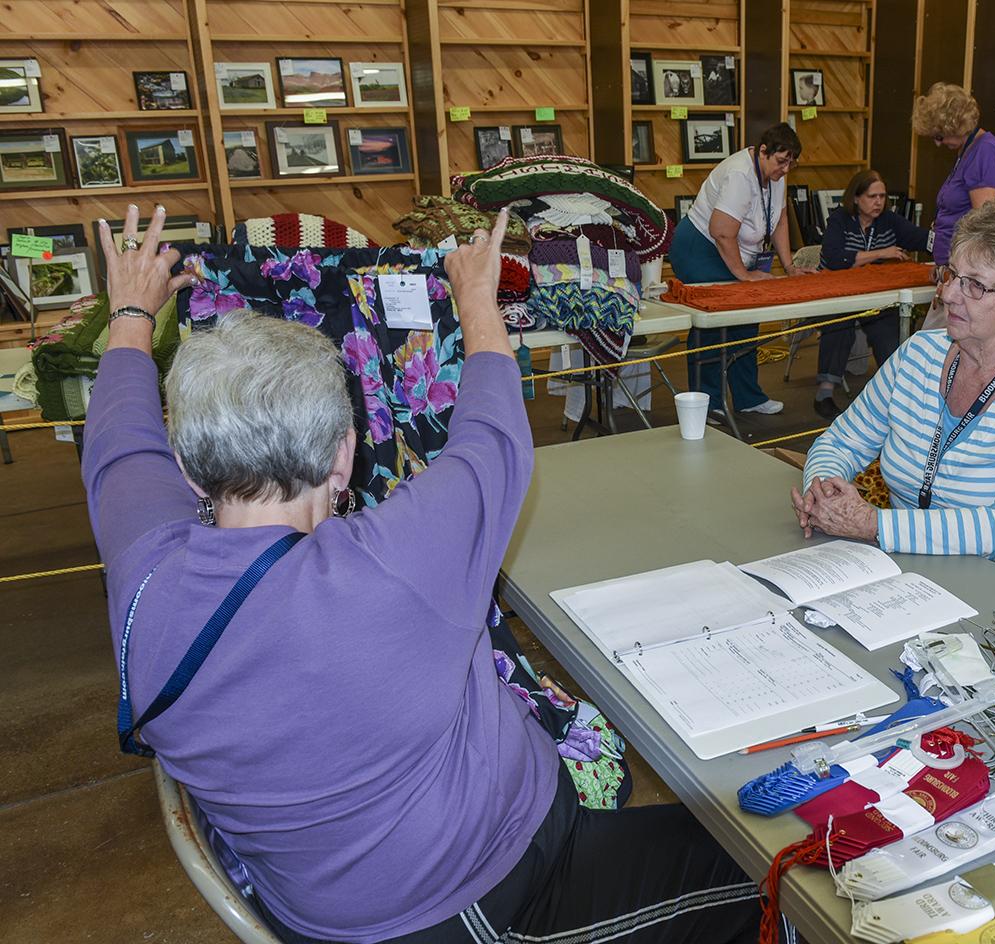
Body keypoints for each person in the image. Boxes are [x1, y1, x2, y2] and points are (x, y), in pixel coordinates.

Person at [83, 204, 766, 943]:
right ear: (344, 457)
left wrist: (130, 315)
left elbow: (119, 444)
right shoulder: (395, 565)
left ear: (185, 467)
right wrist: (475, 295)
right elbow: (497, 432)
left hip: (314, 898)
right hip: (484, 899)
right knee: (782, 879)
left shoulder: (142, 573)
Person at [793, 196, 995, 619]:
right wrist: (823, 489)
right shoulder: (919, 355)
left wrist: (873, 525)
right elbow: (841, 441)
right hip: (929, 570)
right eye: (951, 274)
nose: (949, 294)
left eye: (976, 285)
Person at [669, 122, 808, 418]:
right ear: (762, 152)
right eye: (781, 161)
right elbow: (720, 231)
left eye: (790, 163)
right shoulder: (739, 174)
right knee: (713, 319)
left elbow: (781, 219)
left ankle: (748, 397)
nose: (785, 169)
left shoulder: (777, 173)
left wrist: (790, 266)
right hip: (700, 246)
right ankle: (706, 402)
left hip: (732, 249)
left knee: (747, 315)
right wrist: (744, 276)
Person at [813, 169, 930, 420]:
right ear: (856, 198)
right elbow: (835, 258)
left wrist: (947, 237)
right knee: (839, 324)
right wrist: (881, 253)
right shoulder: (839, 220)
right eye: (872, 196)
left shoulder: (889, 220)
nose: (879, 202)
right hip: (838, 294)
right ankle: (824, 393)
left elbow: (918, 238)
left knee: (888, 330)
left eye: (882, 196)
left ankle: (894, 392)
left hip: (873, 296)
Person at [912, 82, 995, 329]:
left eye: (939, 135)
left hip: (964, 275)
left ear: (954, 126)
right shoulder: (969, 152)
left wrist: (955, 279)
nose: (937, 143)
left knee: (933, 349)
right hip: (955, 272)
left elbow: (983, 224)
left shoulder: (983, 152)